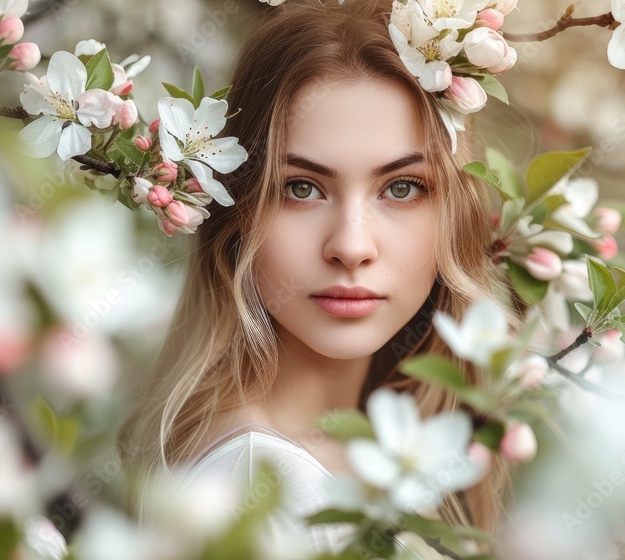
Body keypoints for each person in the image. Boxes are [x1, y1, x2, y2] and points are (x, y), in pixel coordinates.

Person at [117, 0, 511, 554]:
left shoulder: (387, 459)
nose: (351, 246)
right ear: (238, 213)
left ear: (453, 213)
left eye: (401, 188)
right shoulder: (254, 485)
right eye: (301, 188)